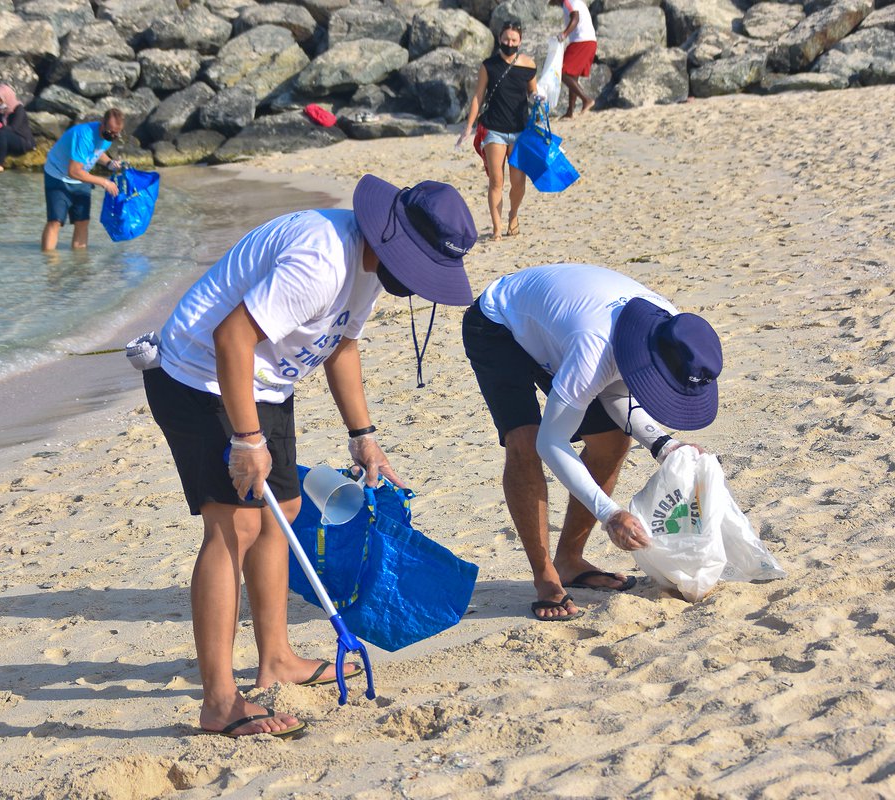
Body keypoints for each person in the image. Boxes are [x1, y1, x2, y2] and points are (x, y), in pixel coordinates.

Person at [142, 175, 477, 738]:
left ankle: (276, 659)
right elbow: (231, 337)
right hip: (199, 377)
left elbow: (341, 344)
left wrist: (362, 434)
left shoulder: (369, 265)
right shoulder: (320, 260)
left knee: (285, 512)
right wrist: (248, 441)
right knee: (235, 526)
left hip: (267, 382)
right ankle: (219, 702)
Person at [462, 264, 723, 621]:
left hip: (564, 331)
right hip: (499, 324)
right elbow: (552, 442)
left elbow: (616, 385)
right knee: (526, 441)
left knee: (613, 442)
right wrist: (610, 514)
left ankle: (569, 560)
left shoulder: (675, 331)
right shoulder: (595, 347)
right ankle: (546, 578)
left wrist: (664, 444)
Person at [456, 19, 537, 241]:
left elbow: (533, 93)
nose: (509, 43)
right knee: (496, 180)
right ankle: (497, 228)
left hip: (520, 130)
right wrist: (469, 126)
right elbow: (478, 96)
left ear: (520, 41)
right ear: (499, 38)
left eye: (514, 39)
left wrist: (540, 98)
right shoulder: (488, 65)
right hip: (494, 129)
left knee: (518, 182)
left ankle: (513, 216)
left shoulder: (528, 65)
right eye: (505, 39)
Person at [40, 109, 125, 251]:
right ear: (102, 123)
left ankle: (80, 266)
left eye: (116, 134)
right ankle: (50, 266)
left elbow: (97, 151)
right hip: (58, 176)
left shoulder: (108, 137)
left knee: (82, 221)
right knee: (56, 221)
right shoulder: (84, 136)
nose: (112, 136)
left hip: (81, 177)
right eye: (110, 131)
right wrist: (104, 182)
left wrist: (109, 163)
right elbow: (73, 171)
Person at [549, 0, 597, 118]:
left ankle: (586, 99)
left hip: (582, 42)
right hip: (588, 41)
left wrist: (564, 34)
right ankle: (570, 111)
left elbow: (575, 18)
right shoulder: (572, 2)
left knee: (561, 71)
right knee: (572, 76)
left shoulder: (569, 2)